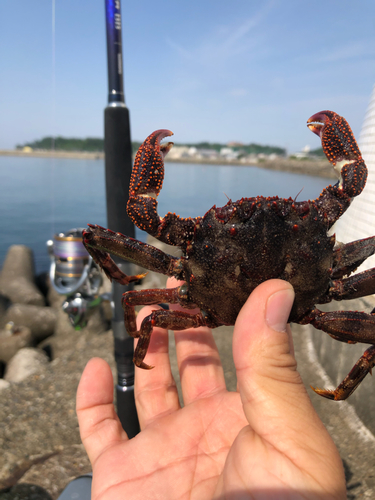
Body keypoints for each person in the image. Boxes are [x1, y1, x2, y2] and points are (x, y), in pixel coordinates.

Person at [76, 278, 346, 499]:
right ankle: (342, 391)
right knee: (147, 315)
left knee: (146, 315)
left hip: (199, 312)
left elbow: (133, 301)